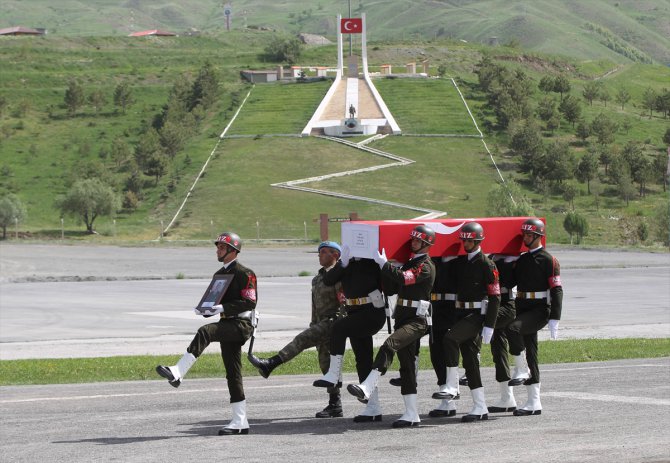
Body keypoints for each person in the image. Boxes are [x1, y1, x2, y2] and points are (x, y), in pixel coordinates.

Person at [156, 232, 258, 436]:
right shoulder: (220, 275)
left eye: (222, 247)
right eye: (218, 247)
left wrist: (220, 309)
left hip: (242, 325)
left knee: (206, 332)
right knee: (233, 373)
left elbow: (250, 302)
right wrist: (205, 309)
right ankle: (240, 421)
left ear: (233, 251)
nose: (218, 250)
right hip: (227, 324)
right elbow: (213, 302)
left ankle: (178, 372)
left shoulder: (245, 273)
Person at [347, 225, 436, 428]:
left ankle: (368, 386)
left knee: (389, 344)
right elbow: (392, 288)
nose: (412, 242)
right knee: (406, 366)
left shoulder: (426, 266)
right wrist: (386, 269)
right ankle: (412, 414)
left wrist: (386, 265)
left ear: (426, 244)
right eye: (412, 239)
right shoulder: (409, 263)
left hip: (418, 320)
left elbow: (406, 279)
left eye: (417, 240)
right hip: (403, 318)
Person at [248, 241, 346, 418]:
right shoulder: (317, 279)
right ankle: (335, 405)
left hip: (333, 323)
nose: (320, 255)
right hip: (319, 323)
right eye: (319, 252)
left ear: (336, 255)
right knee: (327, 363)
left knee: (301, 340)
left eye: (324, 252)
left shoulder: (338, 277)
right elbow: (314, 305)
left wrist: (339, 324)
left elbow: (343, 303)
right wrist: (313, 323)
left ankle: (271, 364)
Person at [431, 221, 500, 423]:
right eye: (463, 240)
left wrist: (490, 324)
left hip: (476, 316)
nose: (465, 243)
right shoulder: (461, 262)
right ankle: (480, 407)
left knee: (450, 339)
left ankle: (452, 386)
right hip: (460, 314)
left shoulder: (487, 264)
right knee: (470, 362)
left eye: (469, 240)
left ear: (478, 240)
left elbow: (495, 296)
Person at [312, 244, 387, 423]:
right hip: (355, 313)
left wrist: (384, 264)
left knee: (339, 328)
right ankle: (373, 408)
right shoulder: (347, 264)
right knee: (363, 360)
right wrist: (342, 263)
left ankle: (333, 374)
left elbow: (390, 288)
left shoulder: (372, 263)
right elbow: (329, 280)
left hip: (372, 313)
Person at [506, 218, 563, 416]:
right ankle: (534, 402)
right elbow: (508, 282)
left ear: (539, 236)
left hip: (540, 310)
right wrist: (502, 260)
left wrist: (555, 317)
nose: (526, 238)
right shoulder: (521, 260)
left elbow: (556, 289)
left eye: (529, 235)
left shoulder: (548, 260)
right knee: (531, 352)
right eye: (525, 235)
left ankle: (521, 370)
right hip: (522, 306)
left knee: (512, 329)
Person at [486, 253, 519, 413]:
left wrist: (508, 261)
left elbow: (511, 281)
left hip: (509, 304)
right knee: (498, 349)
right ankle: (507, 396)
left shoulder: (516, 259)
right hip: (495, 304)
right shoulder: (491, 258)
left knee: (518, 347)